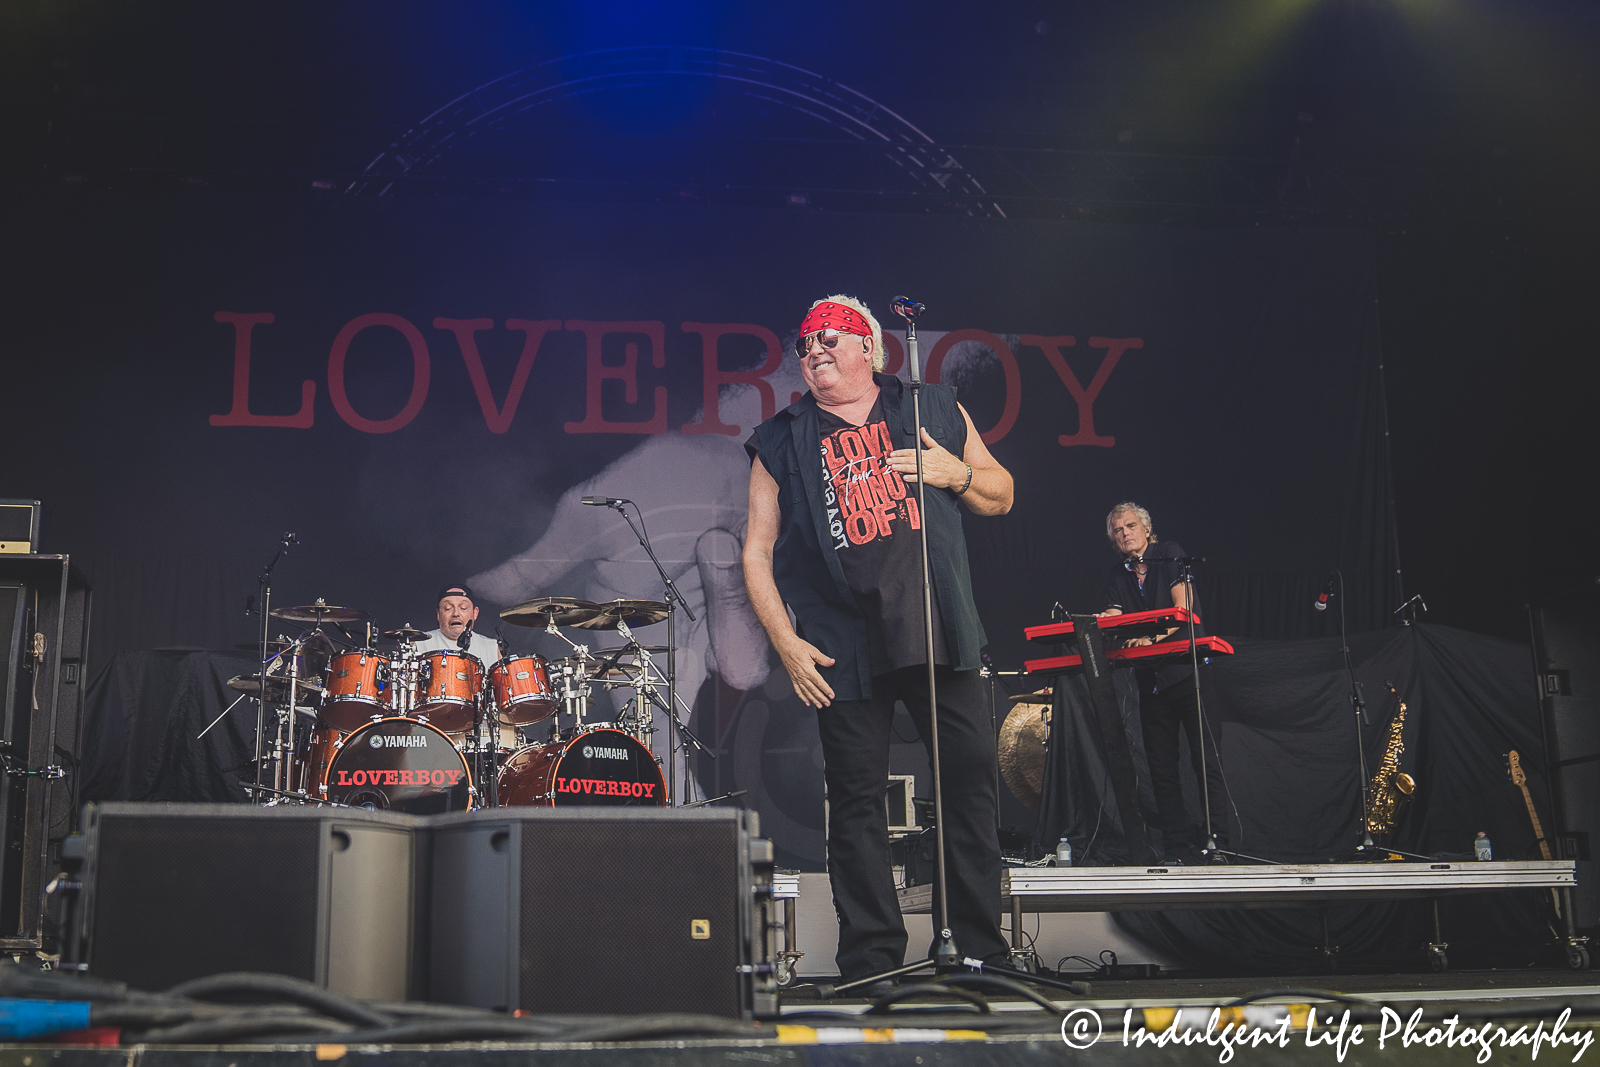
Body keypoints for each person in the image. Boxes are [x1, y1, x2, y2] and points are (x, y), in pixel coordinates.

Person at [743, 294, 1014, 984]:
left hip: (936, 629)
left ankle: (976, 948)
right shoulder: (781, 437)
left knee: (969, 783)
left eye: (829, 337)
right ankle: (871, 960)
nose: (814, 351)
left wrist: (957, 473)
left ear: (869, 345)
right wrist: (786, 642)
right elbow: (755, 551)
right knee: (855, 800)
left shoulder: (929, 406)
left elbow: (1001, 490)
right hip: (842, 643)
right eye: (804, 344)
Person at [1098, 502, 1228, 862]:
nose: (1125, 533)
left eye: (1130, 525)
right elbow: (1112, 620)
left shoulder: (1170, 555)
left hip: (1188, 673)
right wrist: (1100, 624)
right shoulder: (1118, 575)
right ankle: (1175, 848)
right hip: (1152, 680)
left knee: (1206, 763)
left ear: (1146, 529)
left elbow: (1183, 610)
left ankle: (1219, 844)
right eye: (1118, 529)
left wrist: (1149, 640)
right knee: (1161, 768)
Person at [414, 585, 505, 671]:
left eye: (463, 608)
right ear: (438, 614)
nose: (456, 613)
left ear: (475, 613)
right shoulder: (419, 644)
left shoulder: (492, 648)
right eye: (448, 608)